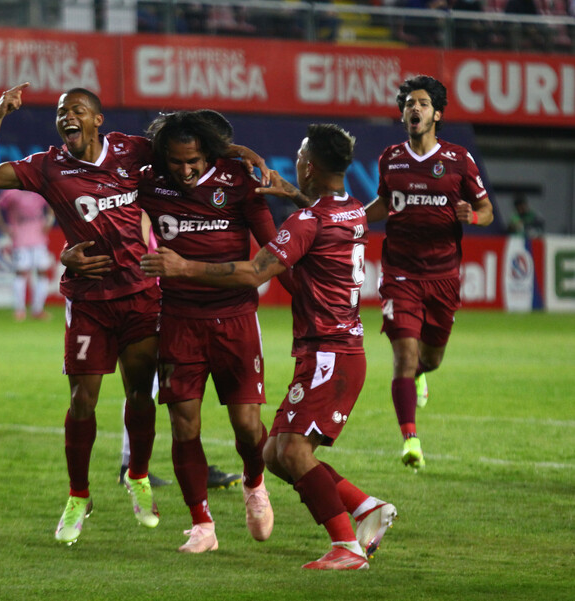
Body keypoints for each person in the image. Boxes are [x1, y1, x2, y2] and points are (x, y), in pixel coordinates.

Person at [142, 123, 397, 569]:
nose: (293, 160)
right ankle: (364, 507)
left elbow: (253, 273)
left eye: (299, 154)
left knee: (292, 452)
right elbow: (320, 215)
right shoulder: (352, 209)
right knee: (274, 454)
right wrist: (292, 193)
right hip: (331, 349)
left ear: (310, 165)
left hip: (330, 353)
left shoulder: (307, 221)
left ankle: (346, 546)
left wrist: (183, 265)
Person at [0, 84, 165, 546]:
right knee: (82, 400)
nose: (67, 117)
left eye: (77, 110)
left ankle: (137, 476)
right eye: (61, 113)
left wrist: (228, 148)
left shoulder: (131, 149)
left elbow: (186, 148)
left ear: (99, 119)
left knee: (141, 394)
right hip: (89, 300)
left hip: (140, 293)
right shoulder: (48, 165)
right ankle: (79, 496)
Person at [136, 110, 279, 553]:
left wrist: (237, 153)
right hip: (178, 318)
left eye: (194, 160)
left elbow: (270, 255)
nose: (185, 170)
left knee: (247, 424)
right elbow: (98, 181)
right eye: (176, 162)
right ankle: (202, 524)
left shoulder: (238, 180)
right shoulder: (148, 179)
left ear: (208, 154)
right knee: (183, 424)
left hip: (235, 318)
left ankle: (254, 483)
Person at [365, 75, 493, 470]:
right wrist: (347, 219)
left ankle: (422, 374)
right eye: (408, 104)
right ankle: (410, 439)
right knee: (404, 355)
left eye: (422, 103)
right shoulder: (390, 158)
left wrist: (471, 214)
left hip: (443, 277)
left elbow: (487, 211)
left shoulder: (459, 160)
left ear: (436, 113)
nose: (414, 109)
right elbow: (385, 205)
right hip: (400, 273)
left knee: (430, 359)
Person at [116, 109, 242, 492]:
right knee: (151, 383)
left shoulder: (186, 181)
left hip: (165, 290)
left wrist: (243, 154)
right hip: (147, 291)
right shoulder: (148, 184)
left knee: (172, 386)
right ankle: (131, 465)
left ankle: (179, 463)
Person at [0, 189, 55, 321]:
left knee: (42, 272)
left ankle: (37, 310)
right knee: (21, 273)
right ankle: (19, 310)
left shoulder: (38, 190)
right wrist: (3, 227)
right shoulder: (11, 193)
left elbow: (53, 203)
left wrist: (49, 221)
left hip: (39, 238)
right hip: (21, 239)